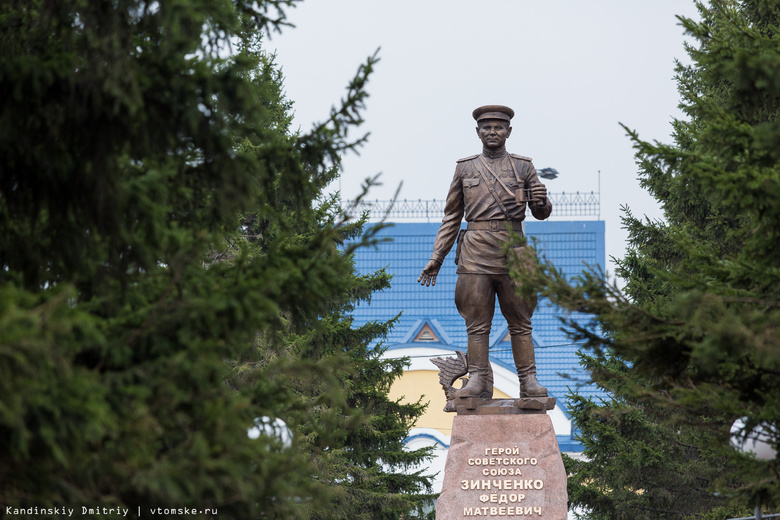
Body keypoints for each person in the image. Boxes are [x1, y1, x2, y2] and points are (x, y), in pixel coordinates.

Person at [418, 105, 551, 400]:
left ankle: (528, 381)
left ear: (509, 132)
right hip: (475, 250)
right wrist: (436, 257)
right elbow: (452, 216)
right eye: (487, 127)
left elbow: (541, 213)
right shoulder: (465, 168)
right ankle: (477, 379)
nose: (493, 132)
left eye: (499, 127)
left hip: (513, 249)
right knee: (477, 322)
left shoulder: (524, 167)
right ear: (477, 132)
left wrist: (542, 202)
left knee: (521, 321)